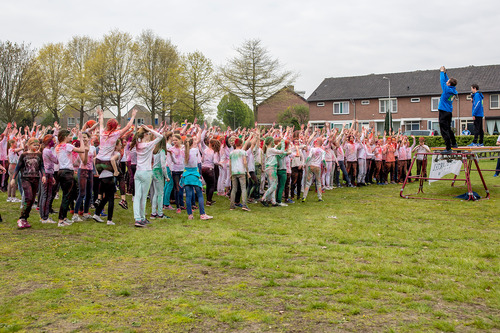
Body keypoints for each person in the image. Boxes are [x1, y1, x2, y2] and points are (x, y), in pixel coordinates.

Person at [131, 125, 163, 227]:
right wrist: (149, 129)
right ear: (145, 135)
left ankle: (139, 218)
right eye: (148, 134)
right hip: (146, 172)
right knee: (143, 197)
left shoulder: (137, 144)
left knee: (137, 197)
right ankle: (141, 218)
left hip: (138, 172)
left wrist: (142, 130)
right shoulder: (147, 145)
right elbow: (160, 136)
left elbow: (138, 136)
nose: (149, 135)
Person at [11, 138, 45, 229]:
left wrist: (44, 175)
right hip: (26, 179)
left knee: (32, 199)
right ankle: (21, 219)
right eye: (34, 145)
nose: (36, 146)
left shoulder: (39, 155)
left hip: (36, 179)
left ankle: (25, 218)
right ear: (29, 145)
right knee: (28, 198)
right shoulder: (23, 155)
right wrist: (13, 178)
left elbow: (42, 166)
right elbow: (18, 167)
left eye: (37, 145)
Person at [438, 66, 458, 154]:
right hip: (449, 111)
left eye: (448, 81)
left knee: (443, 130)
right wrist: (446, 73)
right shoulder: (453, 90)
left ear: (449, 84)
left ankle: (448, 148)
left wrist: (442, 72)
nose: (447, 82)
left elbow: (442, 81)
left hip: (443, 111)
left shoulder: (446, 90)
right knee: (448, 128)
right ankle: (454, 143)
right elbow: (446, 81)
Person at [229, 138, 250, 211]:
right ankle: (244, 205)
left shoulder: (231, 153)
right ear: (241, 144)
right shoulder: (243, 152)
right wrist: (247, 171)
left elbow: (230, 164)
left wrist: (230, 173)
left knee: (234, 188)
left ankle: (232, 205)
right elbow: (245, 162)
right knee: (243, 188)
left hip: (234, 172)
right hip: (241, 171)